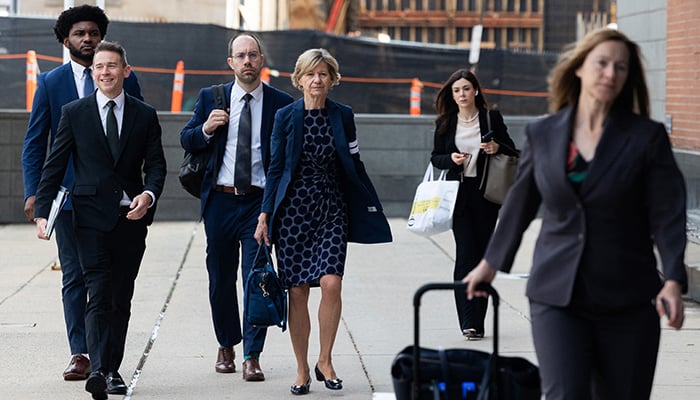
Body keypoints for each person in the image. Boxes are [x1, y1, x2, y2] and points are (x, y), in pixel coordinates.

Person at [463, 27, 687, 399]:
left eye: (621, 67)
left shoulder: (646, 138)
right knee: (565, 394)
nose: (611, 73)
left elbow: (668, 214)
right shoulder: (544, 133)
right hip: (557, 295)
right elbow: (520, 204)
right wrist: (488, 265)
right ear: (580, 67)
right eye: (602, 63)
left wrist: (674, 280)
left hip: (628, 298)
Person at [254, 48, 392, 395]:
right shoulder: (286, 117)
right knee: (297, 291)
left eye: (323, 74)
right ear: (299, 79)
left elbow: (354, 163)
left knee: (331, 283)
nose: (317, 80)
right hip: (292, 212)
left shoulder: (343, 115)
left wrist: (368, 205)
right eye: (311, 74)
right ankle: (301, 369)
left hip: (332, 207)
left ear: (332, 79)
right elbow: (274, 169)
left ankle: (325, 359)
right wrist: (265, 213)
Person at [32, 41, 166, 400]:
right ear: (93, 73)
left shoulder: (144, 114)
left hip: (130, 218)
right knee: (98, 292)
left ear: (126, 70)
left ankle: (111, 367)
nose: (105, 72)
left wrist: (148, 195)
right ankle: (102, 370)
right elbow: (55, 163)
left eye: (112, 66)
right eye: (99, 67)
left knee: (121, 296)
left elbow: (156, 166)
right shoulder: (74, 112)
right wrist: (43, 211)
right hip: (88, 218)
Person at [21, 4, 143, 383]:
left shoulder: (126, 78)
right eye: (79, 34)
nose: (87, 39)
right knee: (75, 275)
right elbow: (34, 142)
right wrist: (34, 195)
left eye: (93, 33)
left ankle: (105, 353)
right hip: (68, 199)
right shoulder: (52, 83)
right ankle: (81, 353)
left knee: (110, 280)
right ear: (65, 39)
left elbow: (138, 133)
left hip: (116, 203)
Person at [180, 33, 293, 381]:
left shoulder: (280, 103)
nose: (247, 61)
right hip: (219, 200)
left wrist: (275, 208)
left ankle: (252, 354)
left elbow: (287, 158)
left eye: (253, 55)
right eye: (240, 55)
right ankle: (227, 343)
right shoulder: (210, 97)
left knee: (256, 277)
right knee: (220, 279)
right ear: (230, 62)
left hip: (259, 203)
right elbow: (186, 139)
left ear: (261, 60)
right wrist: (206, 128)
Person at [430, 69, 517, 340]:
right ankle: (469, 322)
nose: (462, 94)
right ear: (452, 95)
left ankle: (478, 320)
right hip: (459, 195)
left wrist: (496, 148)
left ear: (476, 91)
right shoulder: (446, 122)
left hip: (486, 196)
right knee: (466, 254)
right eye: (457, 91)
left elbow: (514, 151)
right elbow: (435, 158)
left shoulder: (491, 118)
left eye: (466, 89)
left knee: (482, 257)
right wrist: (452, 159)